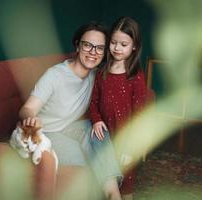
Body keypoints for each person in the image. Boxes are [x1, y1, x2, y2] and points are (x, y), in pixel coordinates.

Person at [19, 21, 122, 200]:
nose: (93, 52)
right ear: (77, 45)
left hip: (70, 127)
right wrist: (31, 119)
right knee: (78, 159)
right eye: (88, 45)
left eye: (99, 48)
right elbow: (27, 109)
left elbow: (122, 68)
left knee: (98, 129)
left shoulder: (96, 75)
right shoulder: (55, 75)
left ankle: (114, 194)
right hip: (48, 131)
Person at [89, 16, 148, 200]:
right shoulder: (101, 72)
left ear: (134, 46)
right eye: (113, 43)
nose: (117, 48)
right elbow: (93, 102)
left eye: (123, 44)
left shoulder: (135, 76)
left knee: (126, 187)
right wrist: (97, 120)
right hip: (106, 137)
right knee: (108, 180)